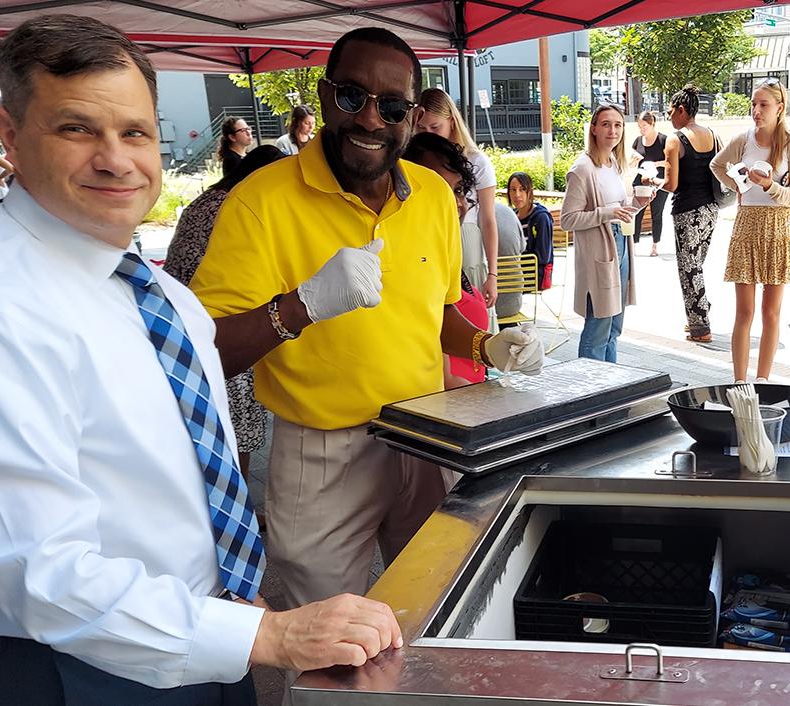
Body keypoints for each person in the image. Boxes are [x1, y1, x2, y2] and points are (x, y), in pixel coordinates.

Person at [0, 15, 408, 705]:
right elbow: (33, 570)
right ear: (9, 135)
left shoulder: (157, 291)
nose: (116, 159)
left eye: (136, 132)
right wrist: (267, 640)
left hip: (203, 635)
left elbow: (192, 469)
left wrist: (242, 625)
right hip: (81, 665)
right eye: (77, 128)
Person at [190, 27, 543, 610]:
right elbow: (206, 349)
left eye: (394, 105)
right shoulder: (261, 201)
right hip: (323, 453)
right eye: (353, 96)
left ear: (413, 114)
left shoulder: (432, 194)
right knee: (332, 646)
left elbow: (437, 310)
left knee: (437, 610)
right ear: (326, 96)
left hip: (427, 435)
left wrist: (487, 346)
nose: (371, 119)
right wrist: (298, 307)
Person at [164, 144, 286, 475]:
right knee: (238, 424)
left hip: (183, 317)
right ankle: (240, 501)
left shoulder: (210, 198)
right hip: (216, 320)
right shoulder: (236, 206)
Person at [711, 82, 790, 384]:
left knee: (771, 312)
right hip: (747, 223)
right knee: (744, 311)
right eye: (754, 104)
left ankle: (762, 381)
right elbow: (716, 165)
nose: (756, 111)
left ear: (780, 108)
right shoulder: (743, 139)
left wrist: (768, 186)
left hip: (779, 226)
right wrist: (737, 185)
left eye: (764, 104)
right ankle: (739, 381)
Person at [561, 103, 651, 362]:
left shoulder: (614, 163)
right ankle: (590, 391)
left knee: (614, 326)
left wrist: (637, 204)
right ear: (594, 129)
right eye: (606, 124)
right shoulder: (582, 169)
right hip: (599, 250)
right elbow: (567, 219)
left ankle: (612, 385)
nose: (613, 130)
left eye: (618, 125)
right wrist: (607, 213)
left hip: (620, 244)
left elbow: (620, 209)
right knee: (599, 325)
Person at [401, 131, 489, 387]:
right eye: (438, 189)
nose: (457, 203)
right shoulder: (409, 262)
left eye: (458, 190)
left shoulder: (444, 249)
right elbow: (444, 374)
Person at [414, 87, 500, 307]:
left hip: (466, 240)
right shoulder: (412, 160)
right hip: (423, 241)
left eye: (435, 127)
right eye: (421, 128)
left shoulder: (476, 160)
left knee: (469, 308)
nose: (428, 134)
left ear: (452, 121)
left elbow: (488, 220)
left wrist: (493, 273)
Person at [661, 84, 719, 343]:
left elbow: (671, 184)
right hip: (711, 209)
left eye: (671, 111)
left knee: (689, 268)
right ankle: (699, 312)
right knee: (696, 266)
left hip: (686, 211)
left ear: (682, 110)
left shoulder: (675, 139)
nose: (669, 116)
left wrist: (653, 181)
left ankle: (700, 327)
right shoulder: (713, 136)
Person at [629, 110, 668, 257]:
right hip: (641, 180)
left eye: (644, 126)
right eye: (639, 126)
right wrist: (634, 160)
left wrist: (655, 163)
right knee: (637, 212)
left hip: (658, 181)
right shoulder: (638, 141)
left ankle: (655, 245)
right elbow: (632, 165)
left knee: (656, 213)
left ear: (652, 124)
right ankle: (634, 244)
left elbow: (670, 162)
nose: (641, 129)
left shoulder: (664, 140)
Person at [509, 171, 555, 290]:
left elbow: (543, 256)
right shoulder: (511, 216)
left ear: (530, 191)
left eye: (522, 189)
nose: (517, 195)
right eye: (513, 190)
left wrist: (515, 261)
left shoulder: (541, 217)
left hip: (534, 275)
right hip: (515, 270)